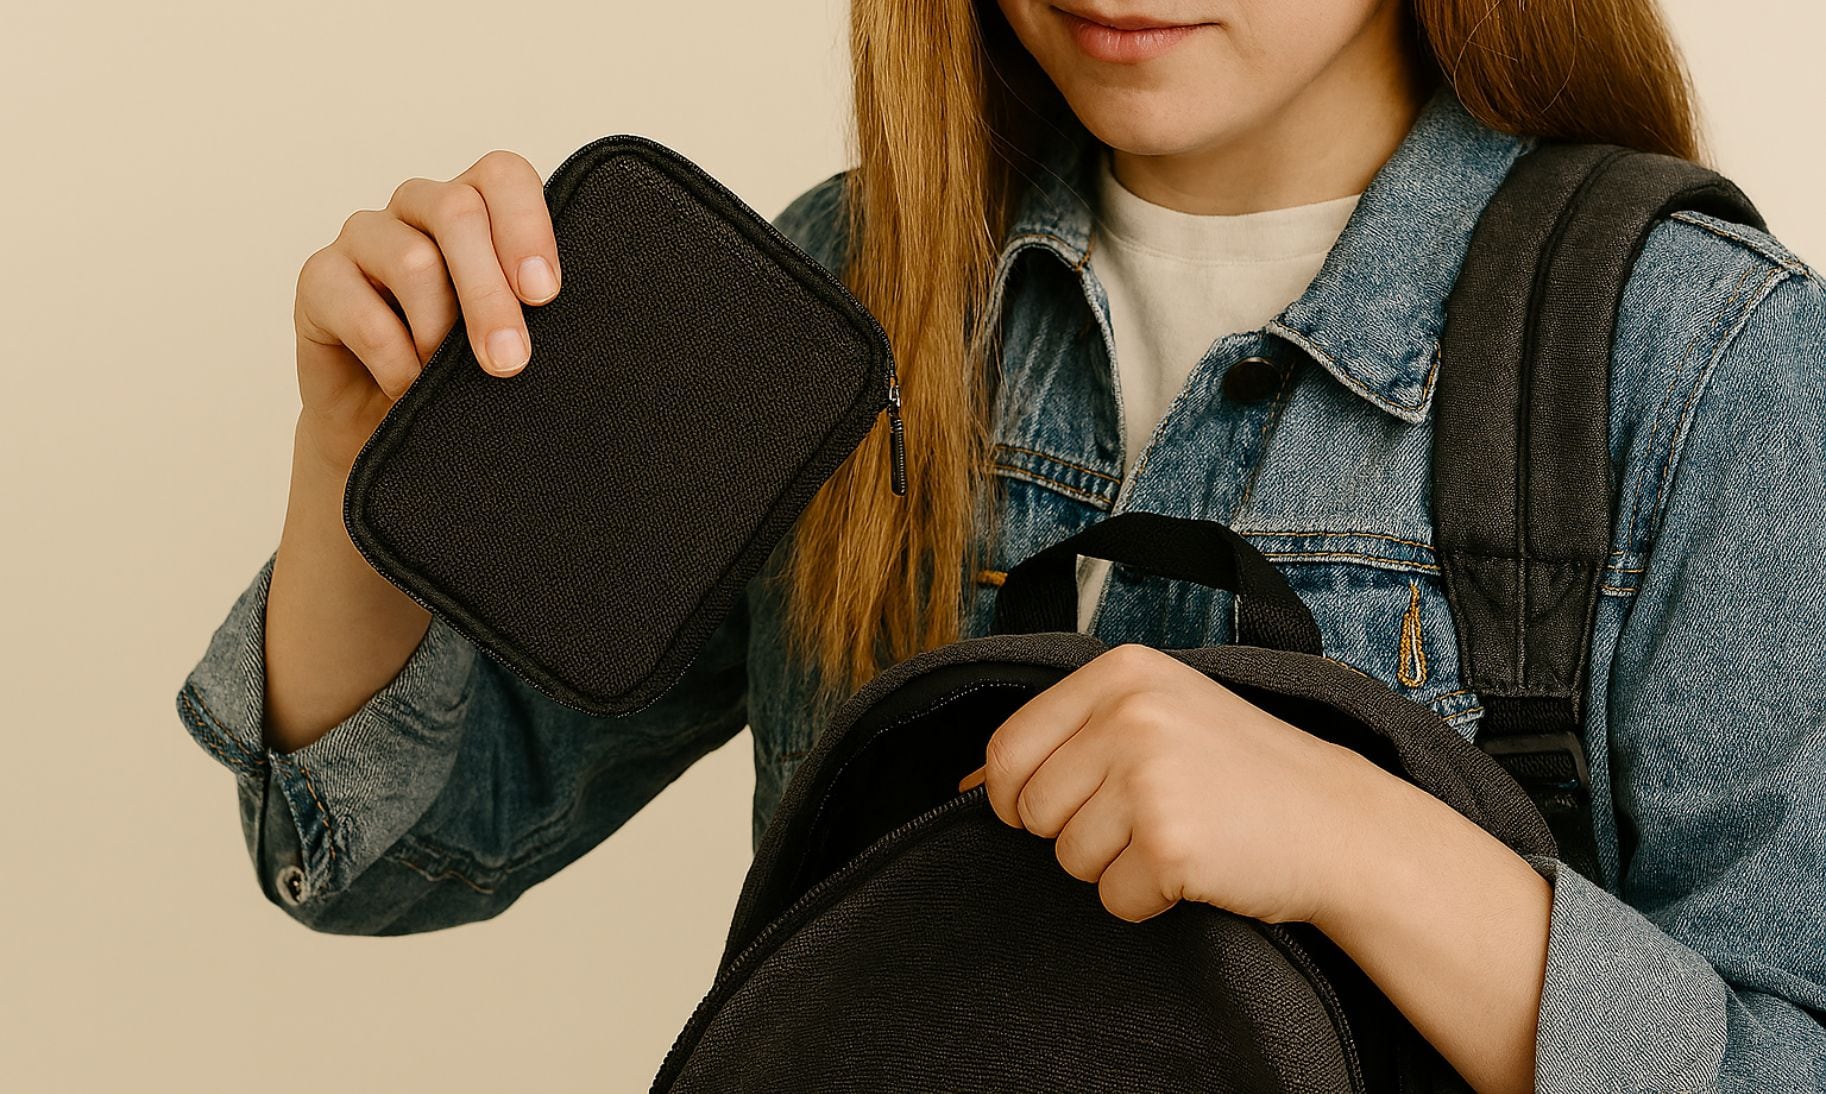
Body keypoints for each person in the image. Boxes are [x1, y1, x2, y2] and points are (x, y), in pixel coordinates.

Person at [174, 1, 1826, 1090]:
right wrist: (358, 471)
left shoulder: (1700, 368)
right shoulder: (834, 299)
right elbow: (385, 856)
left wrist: (1369, 847)